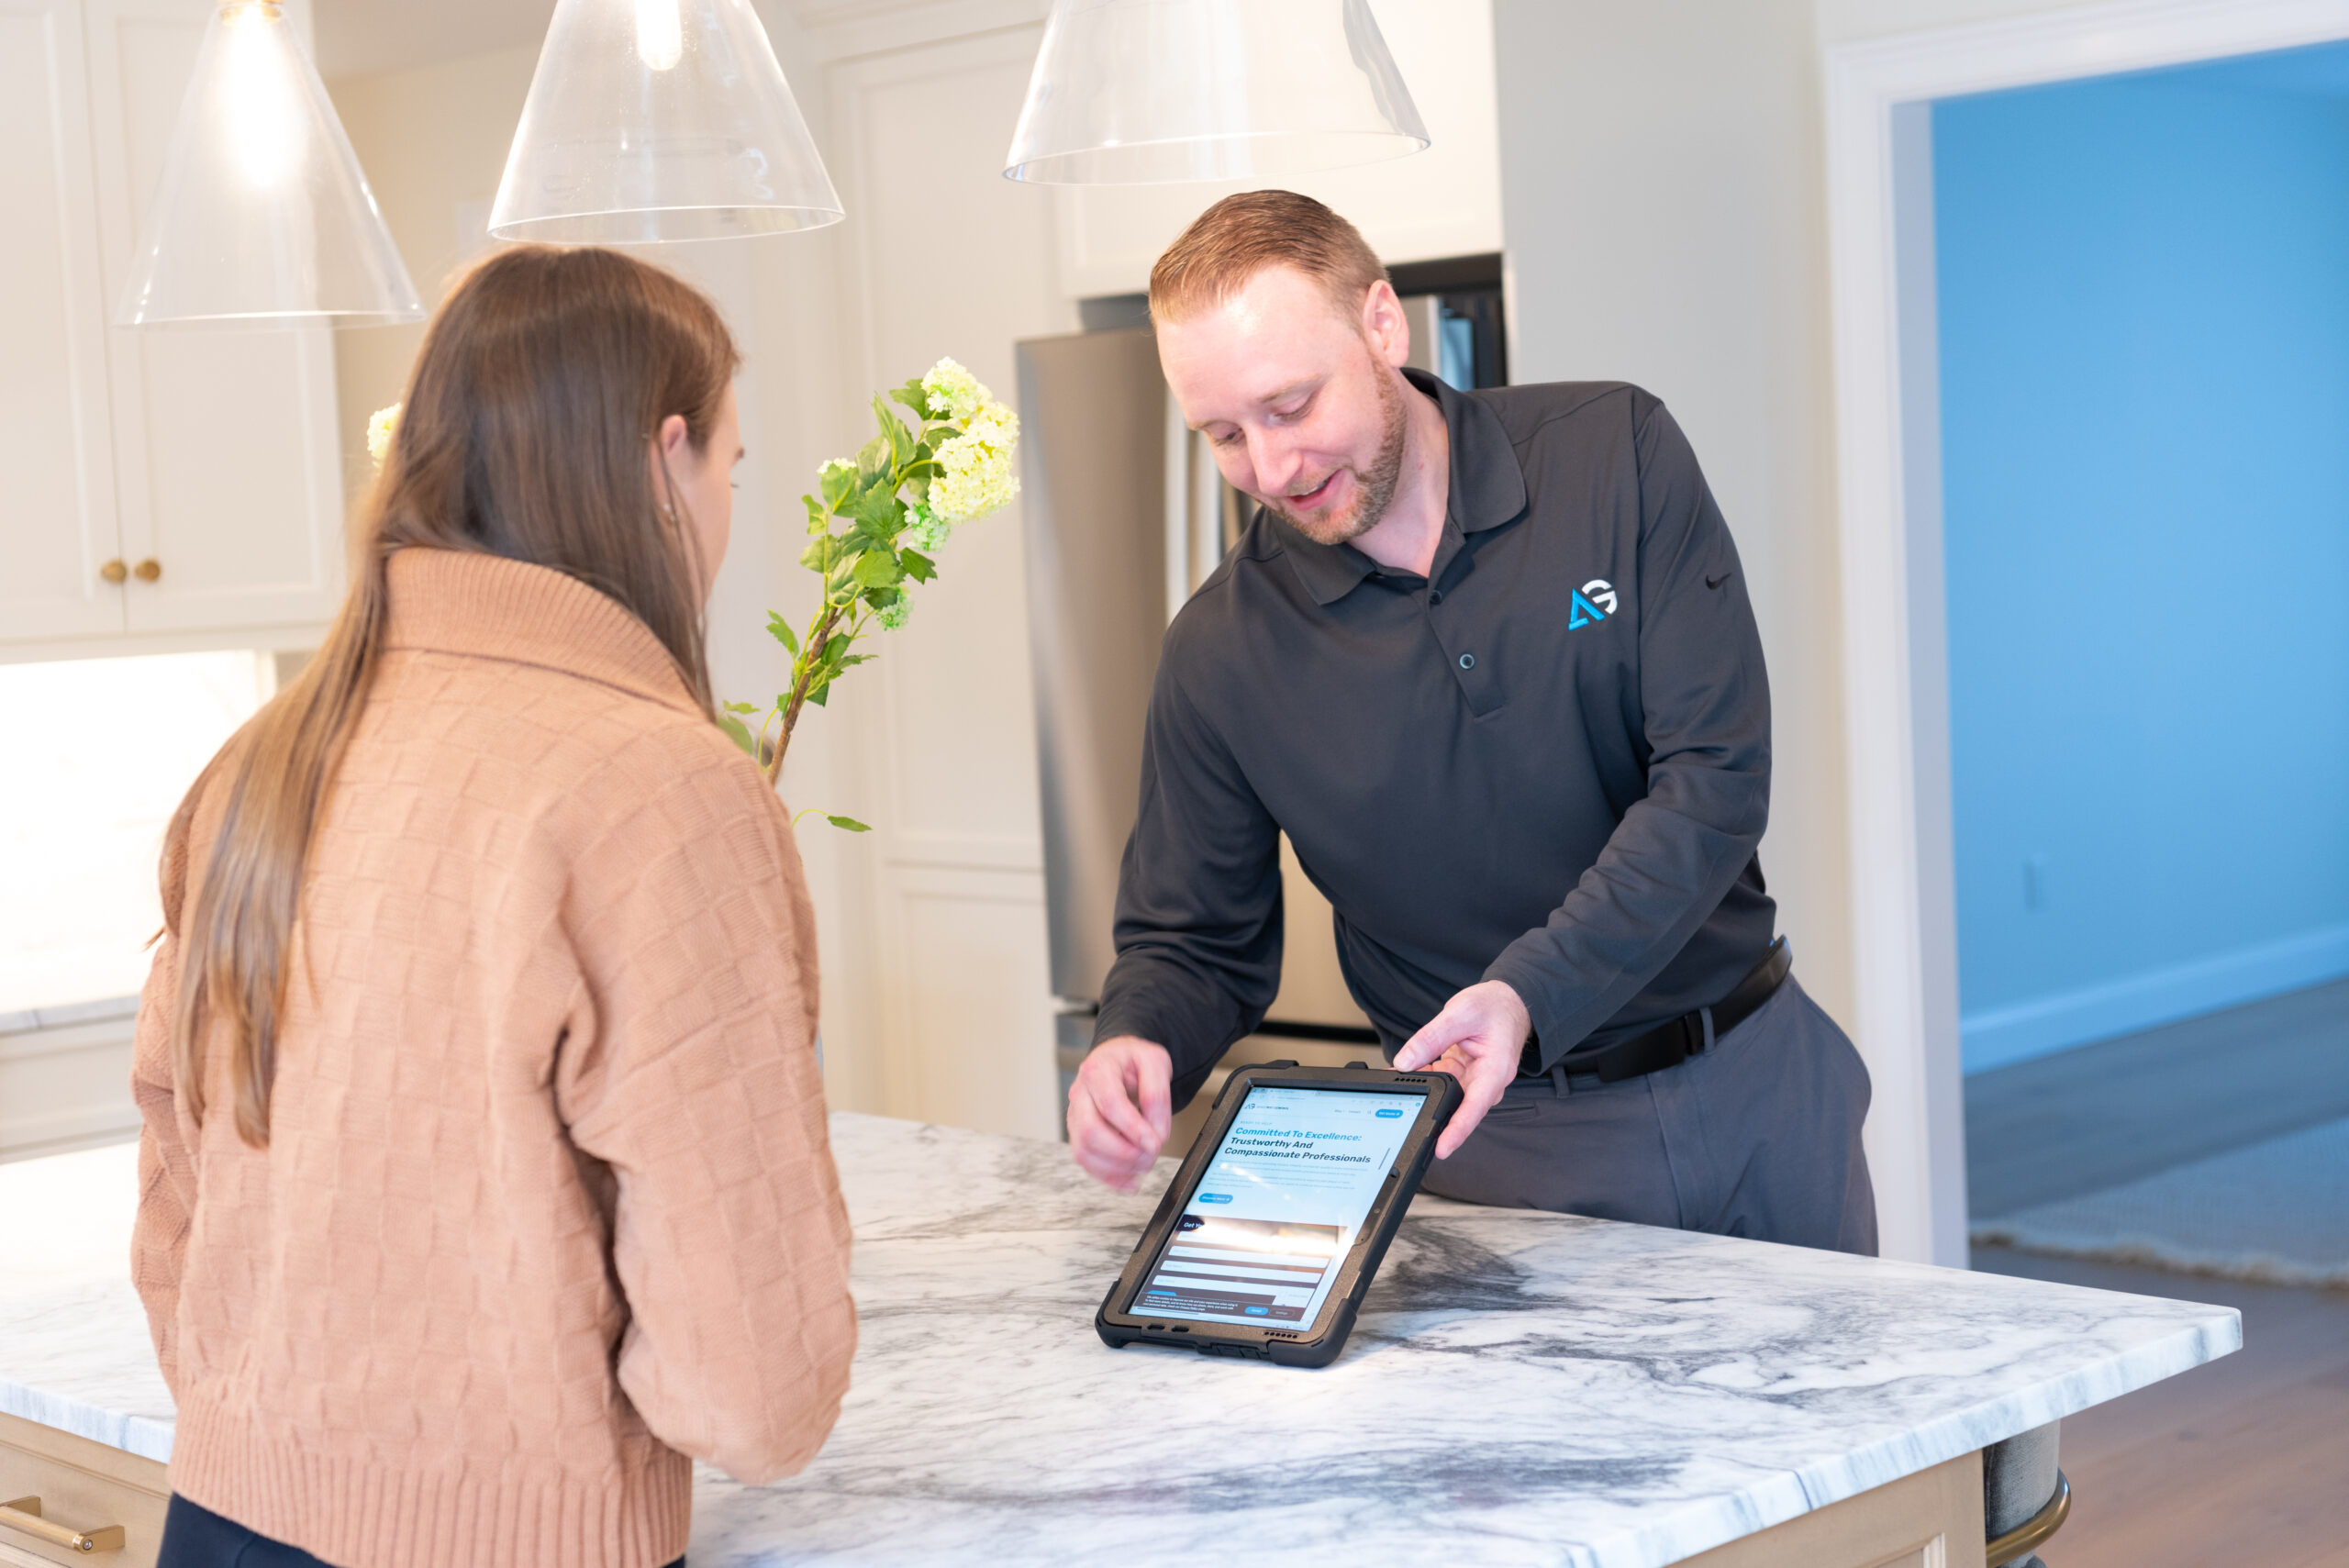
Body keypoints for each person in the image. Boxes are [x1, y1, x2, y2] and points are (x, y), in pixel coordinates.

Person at [132, 246, 856, 1568]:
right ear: (666, 456)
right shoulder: (660, 787)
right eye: (735, 470)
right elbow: (752, 1386)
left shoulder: (258, 761)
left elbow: (179, 1197)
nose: (730, 507)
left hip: (224, 1523)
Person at [1064, 191, 1876, 1254]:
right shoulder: (1218, 652)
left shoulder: (1613, 454)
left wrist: (1529, 989)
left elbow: (1714, 779)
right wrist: (1137, 1036)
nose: (1271, 470)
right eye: (1222, 434)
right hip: (1499, 1148)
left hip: (1763, 1085)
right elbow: (1194, 939)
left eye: (1290, 405)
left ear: (1382, 327)